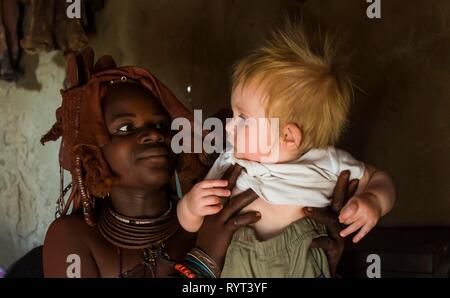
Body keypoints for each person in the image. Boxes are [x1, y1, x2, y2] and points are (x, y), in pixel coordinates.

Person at [41, 48, 356, 278]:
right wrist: (206, 258)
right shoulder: (73, 238)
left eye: (163, 126)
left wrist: (319, 263)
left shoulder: (212, 214)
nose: (153, 136)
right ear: (94, 150)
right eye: (126, 128)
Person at [177, 23, 396, 277]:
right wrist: (191, 207)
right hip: (238, 256)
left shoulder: (327, 162)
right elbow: (192, 225)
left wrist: (373, 201)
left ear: (288, 136)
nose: (229, 126)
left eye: (243, 118)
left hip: (302, 254)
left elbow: (379, 179)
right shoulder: (230, 161)